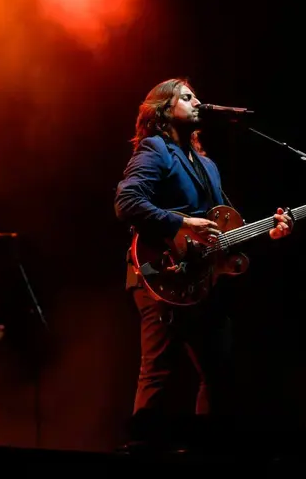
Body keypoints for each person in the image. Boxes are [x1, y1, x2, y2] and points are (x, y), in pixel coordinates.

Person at [114, 78, 293, 447]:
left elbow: (224, 232)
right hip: (159, 276)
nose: (198, 101)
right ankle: (140, 453)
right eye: (186, 96)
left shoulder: (207, 166)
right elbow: (127, 203)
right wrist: (181, 222)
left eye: (195, 96)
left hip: (201, 283)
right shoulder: (155, 149)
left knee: (220, 374)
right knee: (158, 373)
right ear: (164, 110)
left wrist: (268, 233)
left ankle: (209, 452)